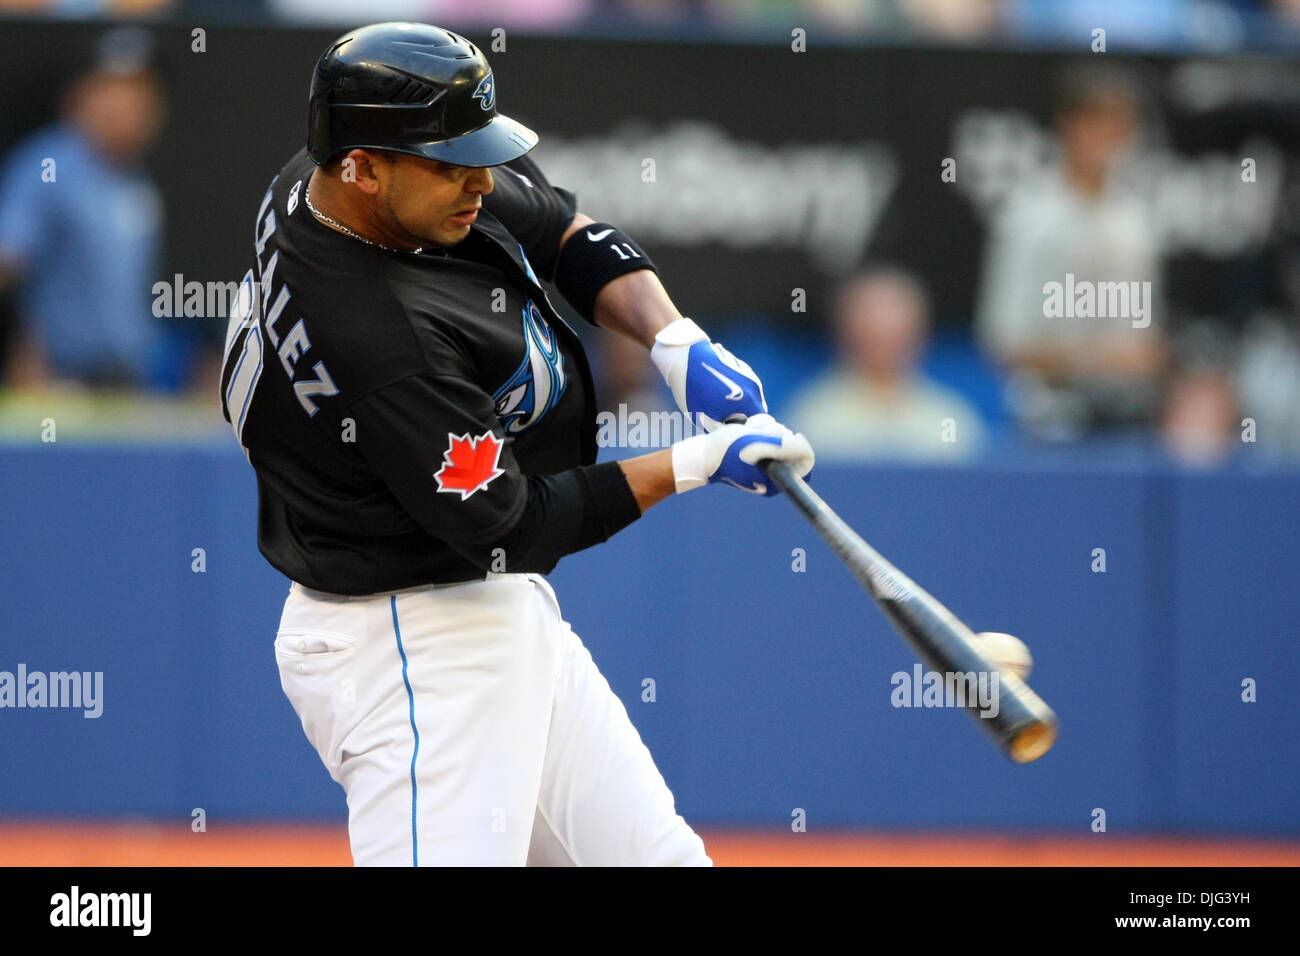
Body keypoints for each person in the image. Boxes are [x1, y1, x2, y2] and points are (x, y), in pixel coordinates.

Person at [219, 22, 813, 866]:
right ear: (363, 167)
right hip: (409, 648)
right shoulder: (377, 338)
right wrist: (694, 464)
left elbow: (564, 230)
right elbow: (514, 525)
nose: (481, 183)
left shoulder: (338, 179)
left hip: (488, 611)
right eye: (452, 165)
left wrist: (676, 341)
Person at [974, 65, 1165, 439]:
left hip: (1125, 419)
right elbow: (1002, 340)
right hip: (1042, 416)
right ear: (1067, 125)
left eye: (1118, 126)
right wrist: (1091, 359)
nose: (1106, 138)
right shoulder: (1025, 217)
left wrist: (1135, 359)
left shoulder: (1136, 222)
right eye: (1095, 122)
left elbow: (1144, 344)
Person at [0, 27, 165, 389]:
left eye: (144, 91)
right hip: (61, 383)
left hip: (129, 382)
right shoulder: (46, 167)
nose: (135, 105)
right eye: (119, 89)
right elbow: (8, 262)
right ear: (81, 95)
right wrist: (19, 352)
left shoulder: (135, 179)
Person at [786, 266, 986, 461]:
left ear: (921, 334)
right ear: (843, 334)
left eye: (897, 335)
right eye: (872, 335)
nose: (884, 343)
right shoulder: (813, 418)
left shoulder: (951, 419)